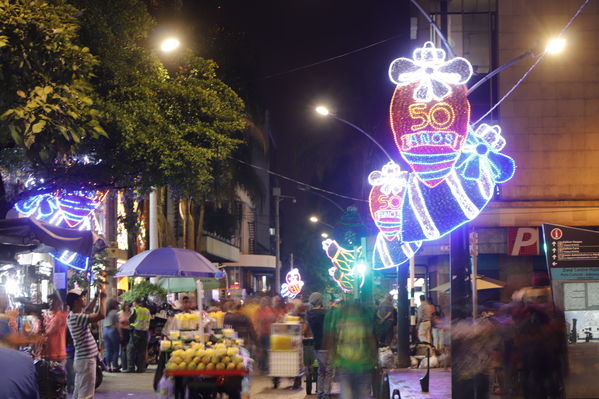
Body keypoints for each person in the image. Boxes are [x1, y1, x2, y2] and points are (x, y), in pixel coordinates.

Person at [329, 300, 377, 399]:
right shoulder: (340, 314)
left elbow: (371, 337)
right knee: (357, 395)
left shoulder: (340, 314)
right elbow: (371, 338)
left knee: (353, 395)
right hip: (350, 365)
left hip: (358, 365)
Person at [66, 286, 107, 399]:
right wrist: (102, 298)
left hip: (82, 359)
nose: (84, 298)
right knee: (86, 394)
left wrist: (95, 298)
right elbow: (101, 315)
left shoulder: (73, 315)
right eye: (82, 297)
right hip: (86, 360)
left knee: (79, 391)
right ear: (75, 301)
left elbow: (88, 310)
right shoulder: (77, 317)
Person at [307, 292, 333, 399]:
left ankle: (320, 393)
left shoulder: (309, 314)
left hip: (317, 345)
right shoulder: (325, 313)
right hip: (327, 345)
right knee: (329, 370)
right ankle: (326, 393)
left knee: (320, 370)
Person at [126, 298, 150, 373]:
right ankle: (141, 368)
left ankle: (131, 368)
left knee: (131, 349)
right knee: (142, 351)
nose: (133, 304)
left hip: (136, 332)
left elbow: (130, 320)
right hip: (145, 332)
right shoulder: (147, 311)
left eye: (133, 302)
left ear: (137, 303)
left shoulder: (136, 310)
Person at [102, 299, 120, 372]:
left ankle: (108, 366)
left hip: (105, 330)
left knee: (108, 349)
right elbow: (117, 324)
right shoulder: (115, 312)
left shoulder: (105, 312)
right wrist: (121, 334)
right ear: (114, 305)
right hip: (113, 330)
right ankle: (115, 366)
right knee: (116, 349)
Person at [117, 301, 131, 373]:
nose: (126, 306)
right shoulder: (119, 313)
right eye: (125, 305)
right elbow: (118, 325)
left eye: (127, 305)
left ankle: (128, 365)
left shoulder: (129, 313)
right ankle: (124, 365)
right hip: (122, 331)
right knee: (123, 349)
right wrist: (120, 334)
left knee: (128, 349)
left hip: (129, 332)